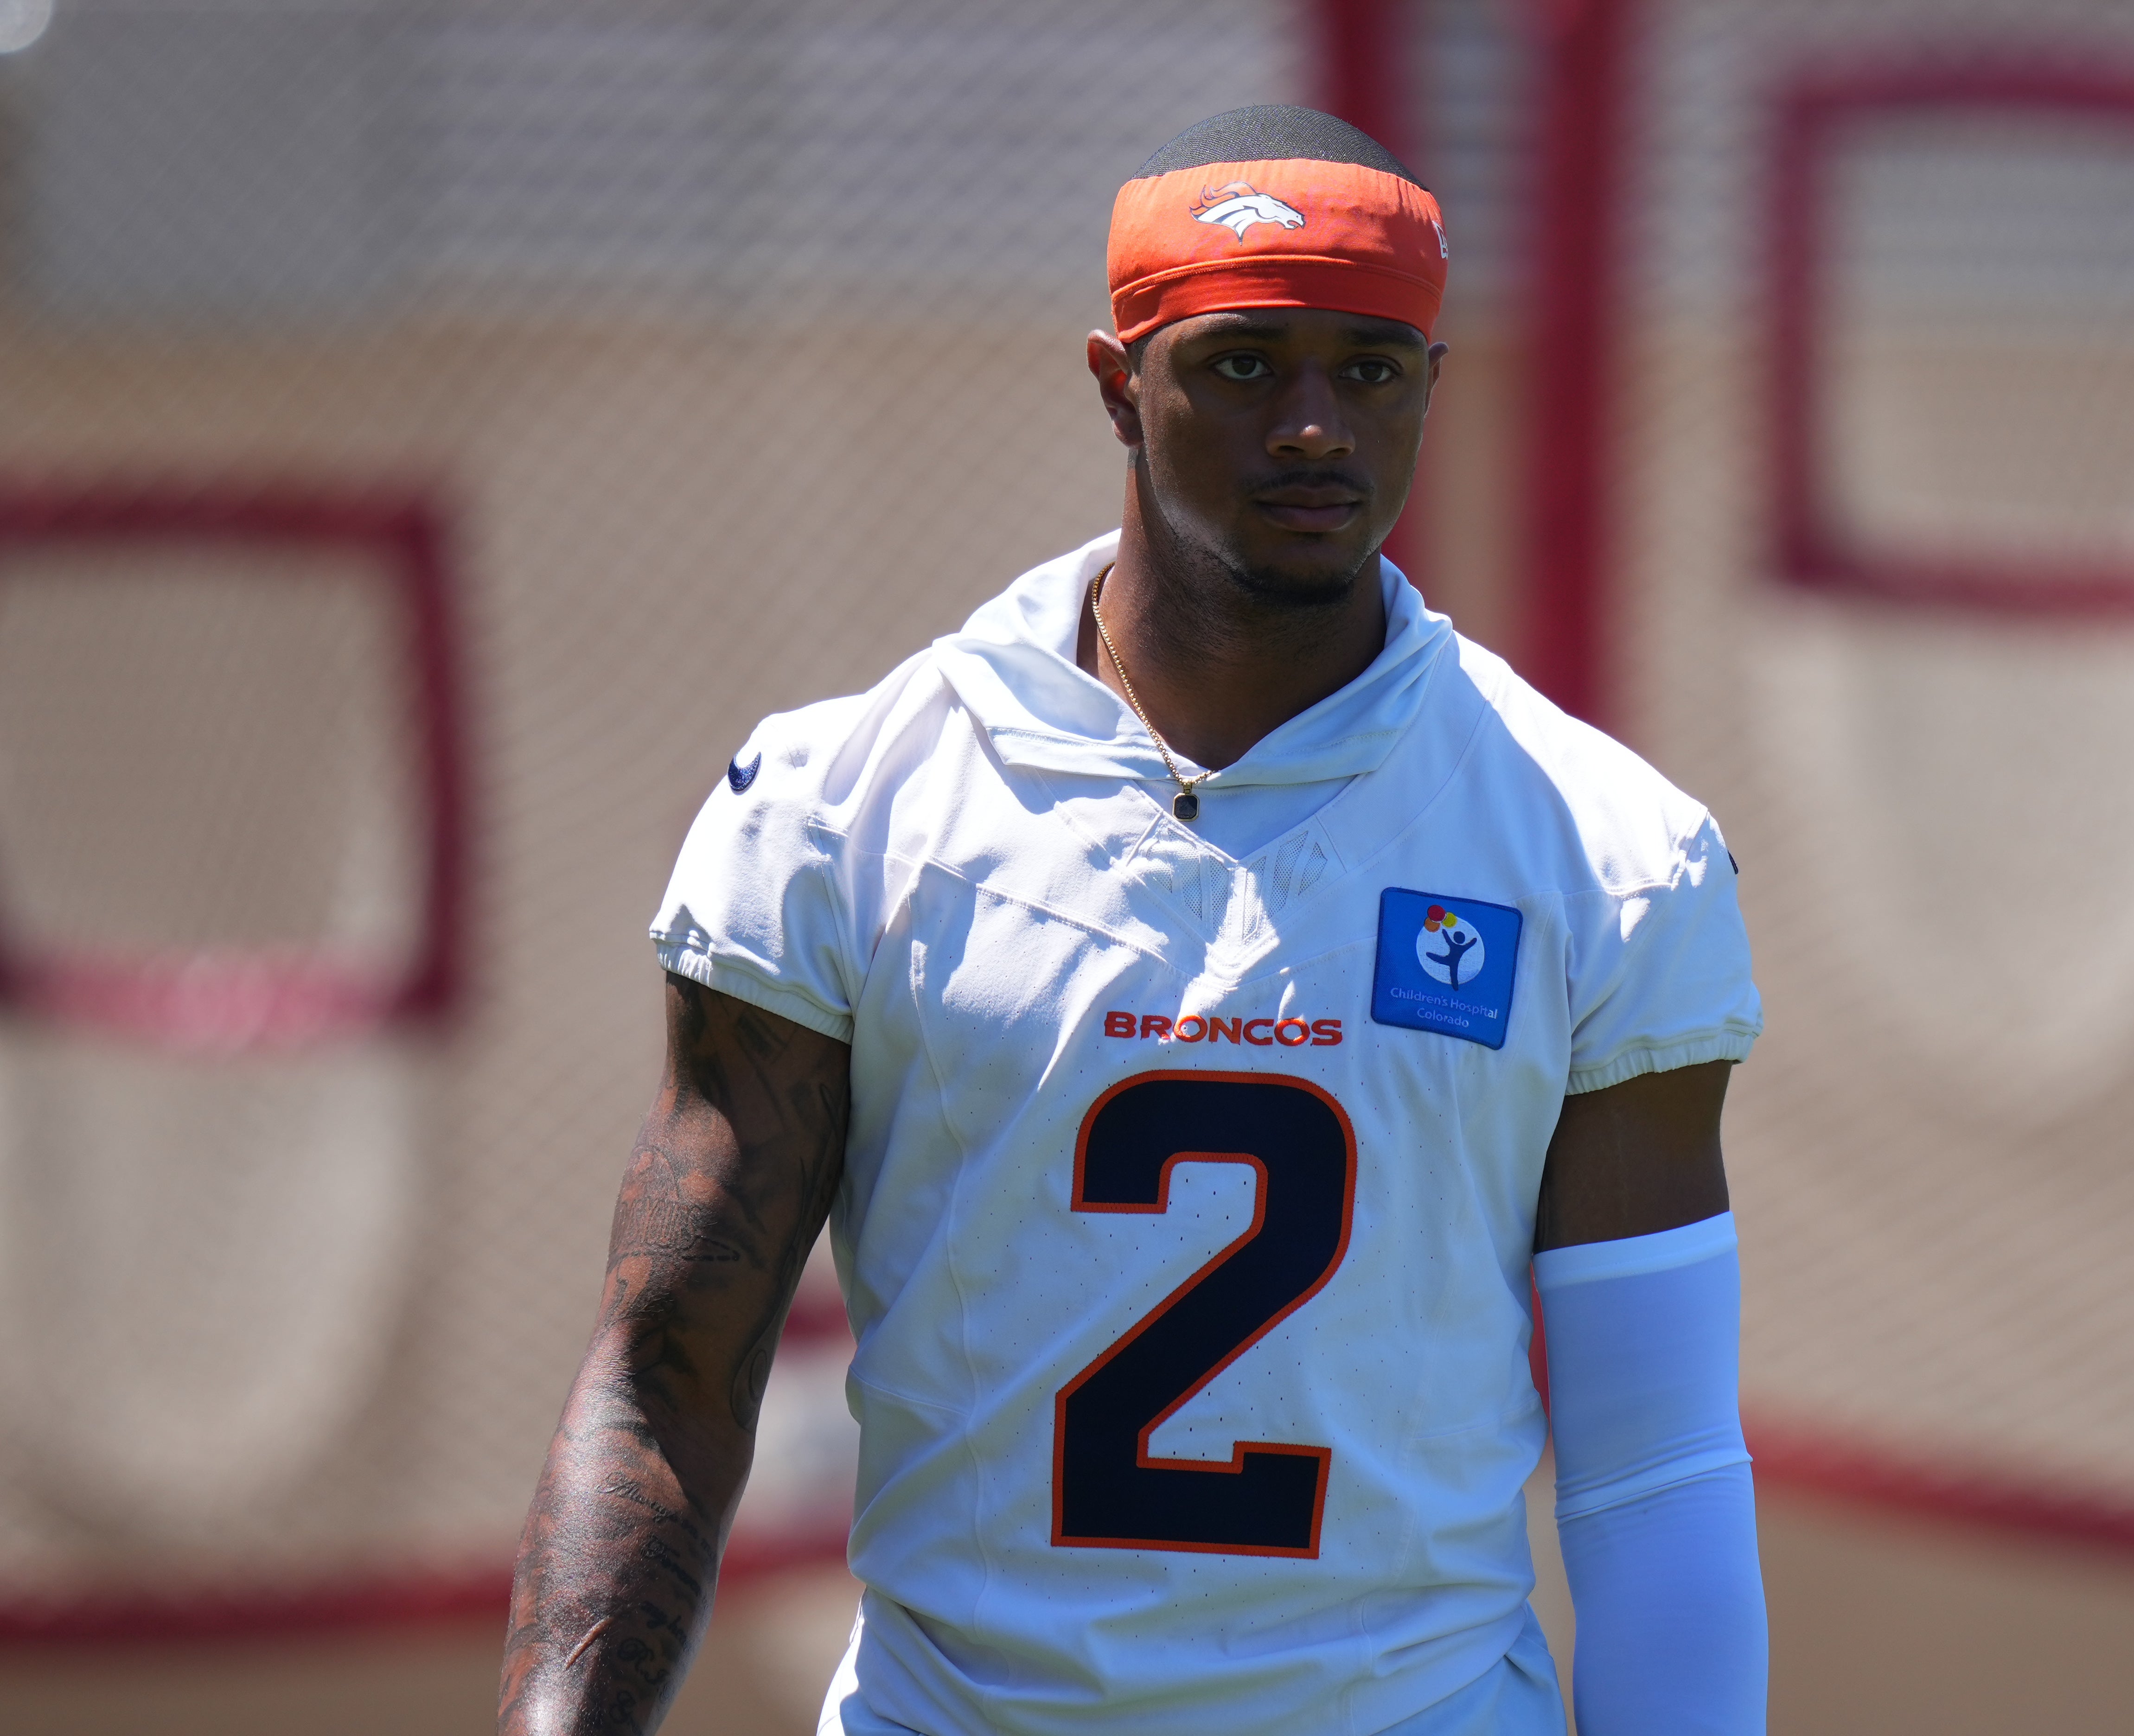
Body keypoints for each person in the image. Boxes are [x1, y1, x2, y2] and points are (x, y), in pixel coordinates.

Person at [499, 104, 1767, 1736]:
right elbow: (671, 1370)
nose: (1316, 426)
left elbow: (1651, 1458)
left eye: (1371, 369)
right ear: (1121, 381)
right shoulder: (851, 805)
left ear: (1431, 391)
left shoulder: (1603, 849)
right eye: (1247, 364)